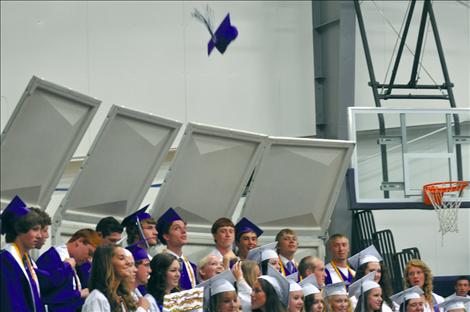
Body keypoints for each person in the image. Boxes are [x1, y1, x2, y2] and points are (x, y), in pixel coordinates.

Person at [36, 228, 101, 311]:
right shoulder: (52, 258)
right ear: (79, 241)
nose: (89, 259)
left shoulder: (75, 263)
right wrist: (79, 294)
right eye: (89, 253)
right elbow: (48, 296)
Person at [0, 195, 45, 312]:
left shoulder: (26, 261)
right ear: (19, 230)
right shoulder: (5, 263)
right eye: (35, 229)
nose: (40, 236)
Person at [82, 244, 146, 311]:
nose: (128, 263)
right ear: (107, 263)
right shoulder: (97, 298)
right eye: (121, 258)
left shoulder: (121, 296)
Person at [157, 207, 198, 290]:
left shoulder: (191, 266)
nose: (183, 231)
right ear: (166, 236)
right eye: (177, 228)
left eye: (184, 228)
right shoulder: (160, 265)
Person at [349, 245, 393, 312]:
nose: (376, 275)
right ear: (362, 273)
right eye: (372, 271)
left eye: (379, 271)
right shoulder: (352, 300)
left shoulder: (386, 299)